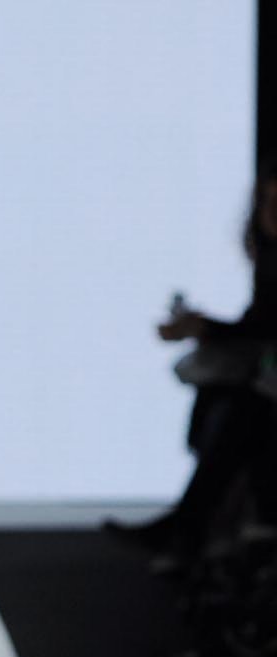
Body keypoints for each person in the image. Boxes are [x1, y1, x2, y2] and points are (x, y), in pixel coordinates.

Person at [104, 154, 277, 566]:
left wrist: (205, 328)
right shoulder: (269, 262)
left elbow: (265, 327)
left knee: (238, 411)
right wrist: (203, 328)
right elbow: (258, 326)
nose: (272, 213)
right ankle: (192, 530)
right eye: (268, 202)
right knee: (225, 401)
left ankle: (191, 530)